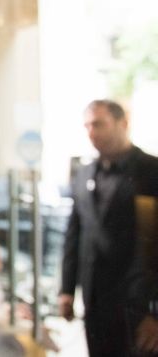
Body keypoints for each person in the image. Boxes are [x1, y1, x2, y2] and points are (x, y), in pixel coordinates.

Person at [59, 99, 158, 356]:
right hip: (95, 301)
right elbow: (74, 233)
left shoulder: (151, 171)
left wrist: (155, 311)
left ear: (123, 123)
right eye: (87, 126)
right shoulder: (84, 174)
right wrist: (66, 289)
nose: (92, 133)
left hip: (138, 304)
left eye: (99, 124)